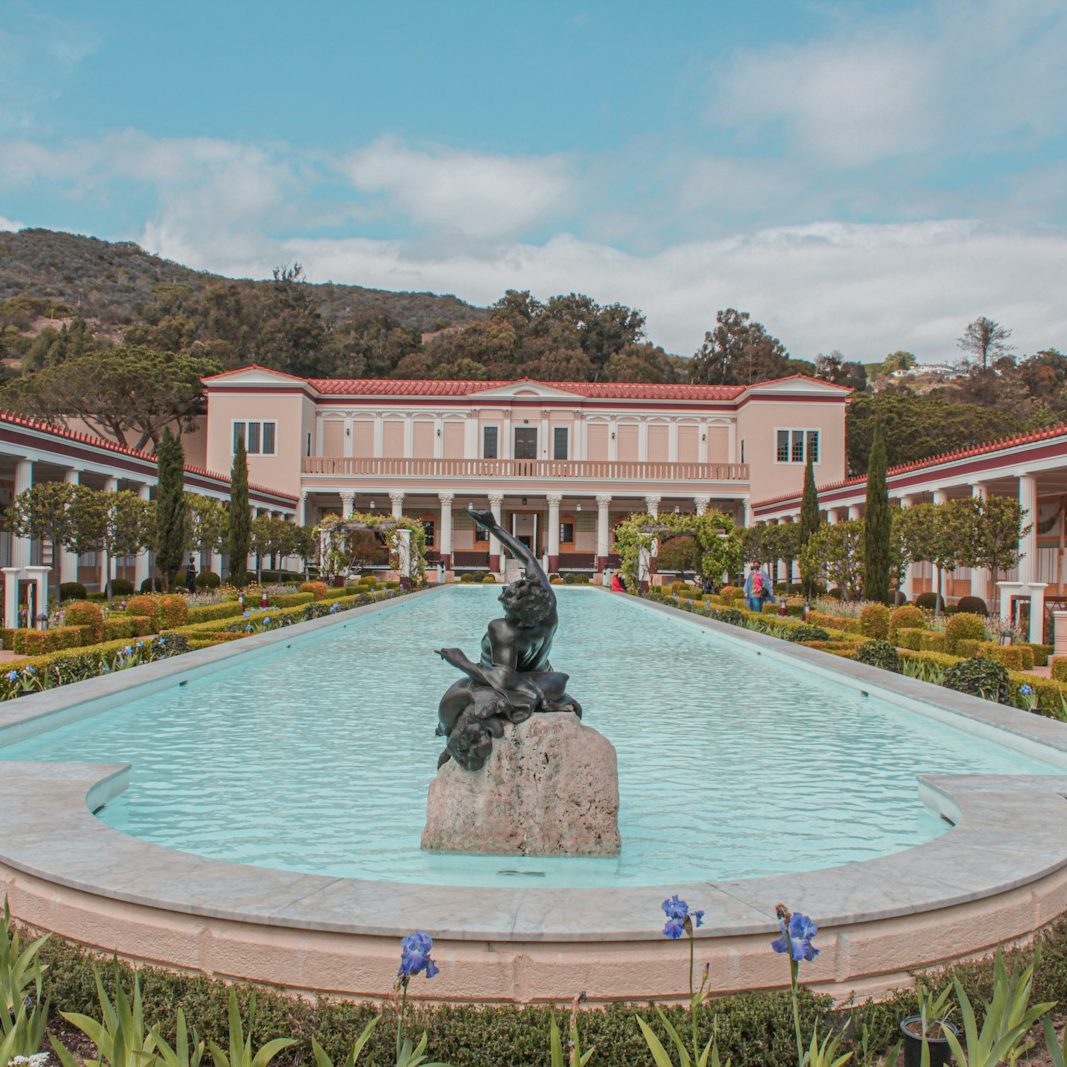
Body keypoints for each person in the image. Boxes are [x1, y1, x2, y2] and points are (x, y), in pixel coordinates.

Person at [435, 507, 581, 770]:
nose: (510, 585)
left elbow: (503, 679)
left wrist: (461, 661)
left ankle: (452, 745)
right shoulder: (548, 610)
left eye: (509, 599)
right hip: (544, 675)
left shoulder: (504, 630)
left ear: (518, 617)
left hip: (513, 683)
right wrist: (494, 527)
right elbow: (526, 557)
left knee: (451, 700)